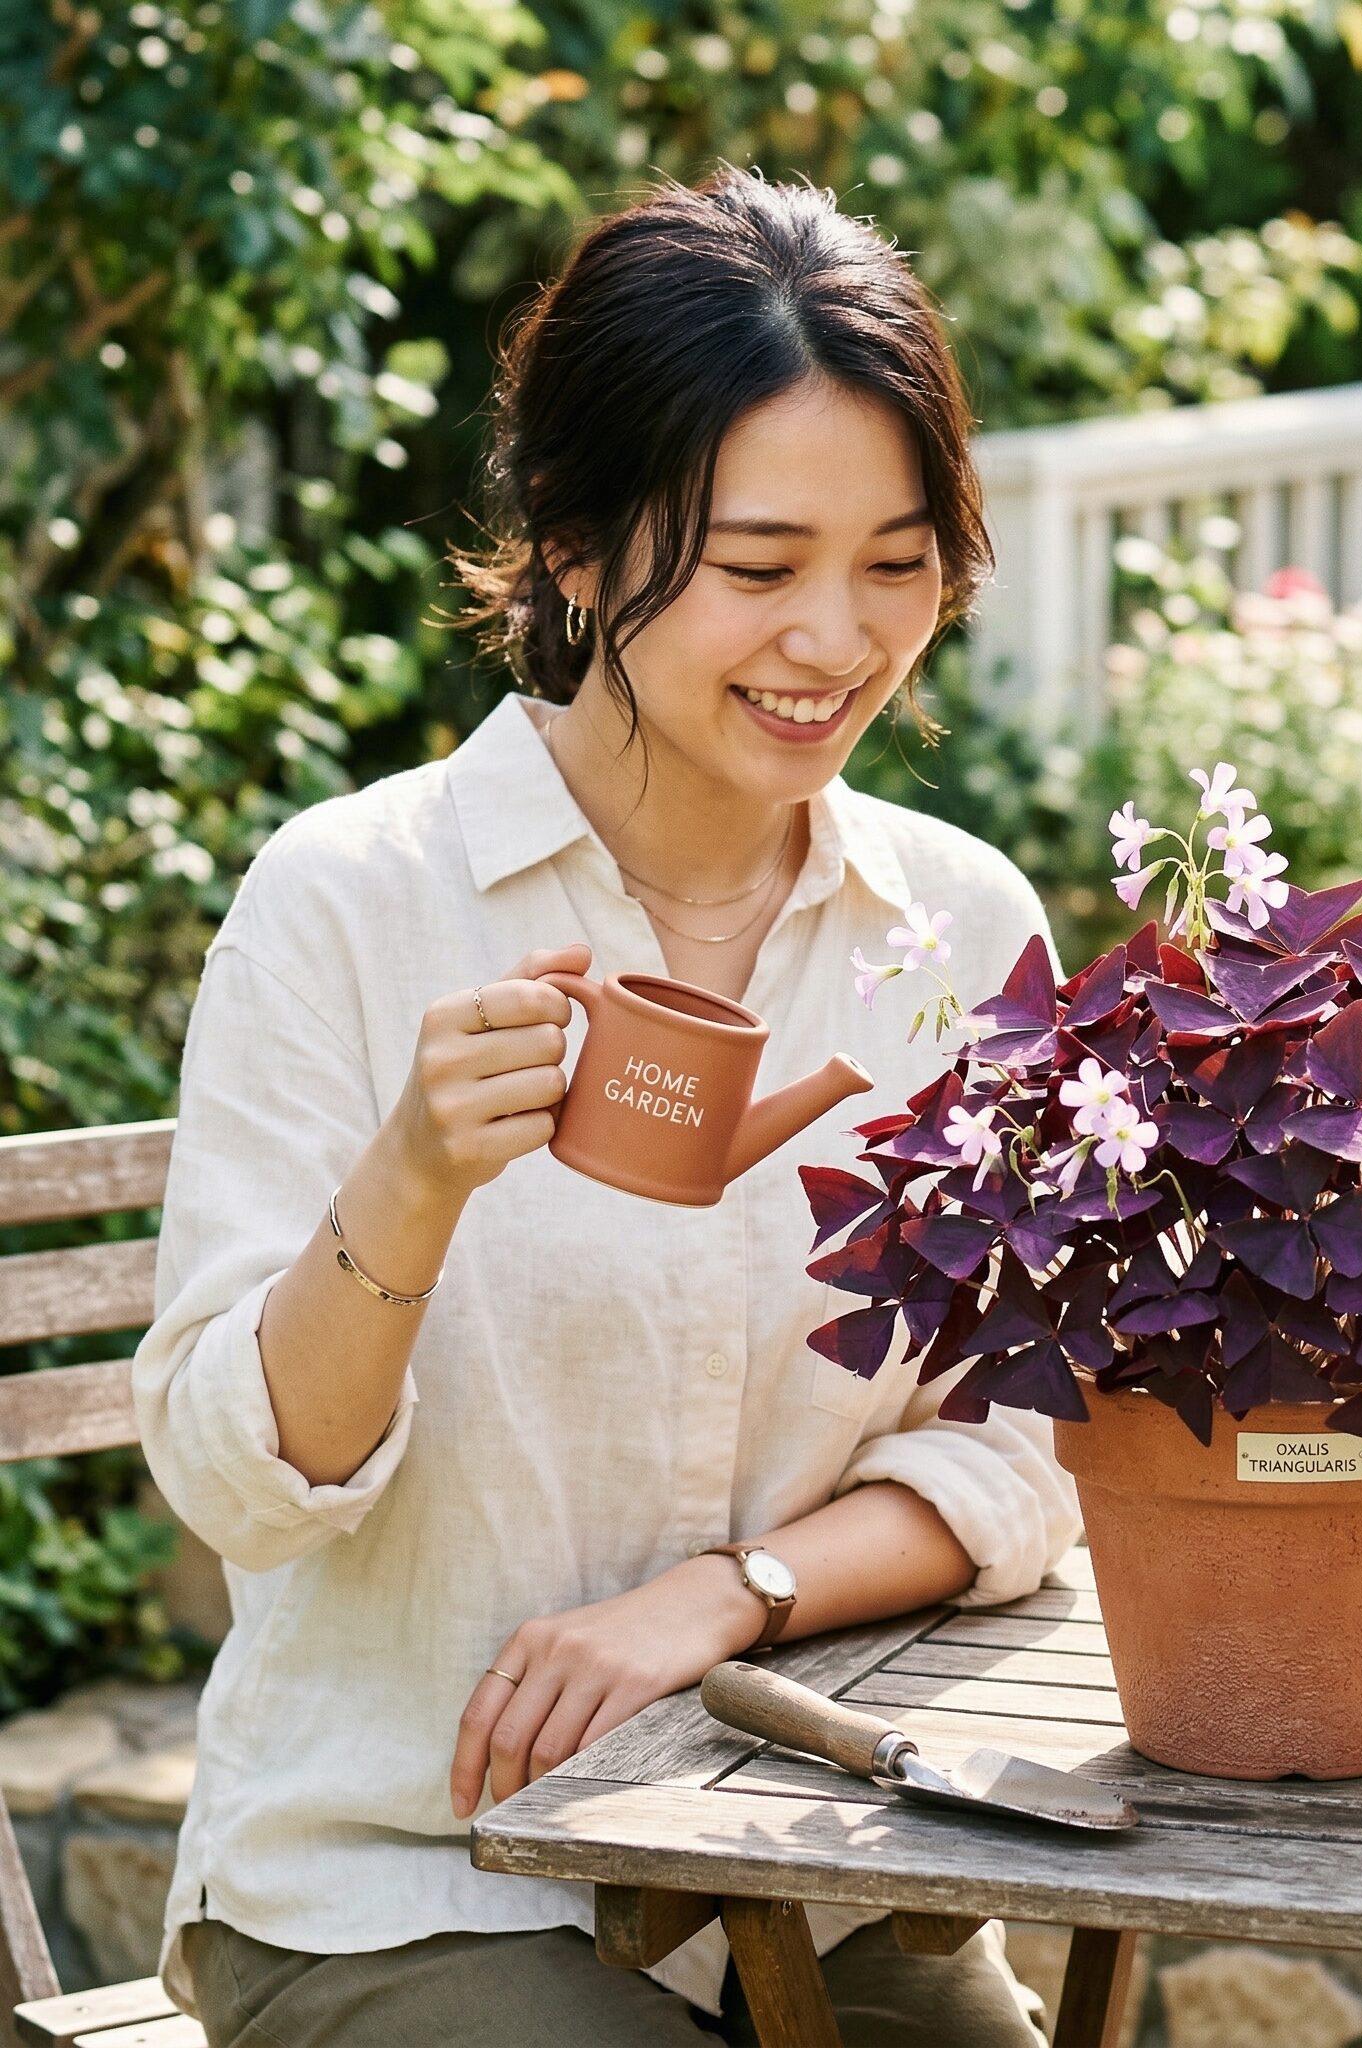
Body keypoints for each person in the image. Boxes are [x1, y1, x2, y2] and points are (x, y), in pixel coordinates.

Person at [132, 163, 1081, 2047]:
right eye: (756, 567)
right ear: (572, 544)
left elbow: (1015, 1461)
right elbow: (235, 1482)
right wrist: (411, 1179)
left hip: (823, 1859)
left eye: (896, 564)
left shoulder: (959, 927)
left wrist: (720, 1601)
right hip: (408, 1876)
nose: (837, 640)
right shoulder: (354, 900)